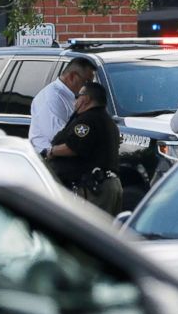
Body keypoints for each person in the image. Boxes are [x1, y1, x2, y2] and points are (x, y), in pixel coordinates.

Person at [46, 81, 122, 214]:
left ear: (86, 99)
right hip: (107, 185)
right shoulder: (107, 121)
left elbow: (74, 147)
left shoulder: (88, 120)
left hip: (95, 190)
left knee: (89, 230)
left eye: (77, 96)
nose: (75, 100)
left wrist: (52, 151)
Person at [29, 58, 97, 156]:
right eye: (86, 82)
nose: (89, 87)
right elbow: (59, 138)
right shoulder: (51, 98)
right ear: (72, 76)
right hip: (50, 161)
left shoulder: (72, 96)